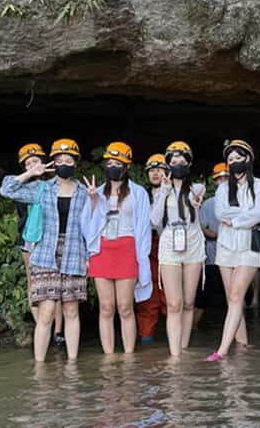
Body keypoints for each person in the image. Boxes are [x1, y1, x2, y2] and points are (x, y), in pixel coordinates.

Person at [0, 142, 64, 340]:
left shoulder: (55, 184)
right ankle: (42, 326)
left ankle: (58, 331)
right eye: (28, 163)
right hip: (29, 238)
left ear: (43, 161)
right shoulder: (19, 185)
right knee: (32, 279)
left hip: (53, 237)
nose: (32, 165)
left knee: (55, 281)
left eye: (35, 161)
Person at [0, 138, 92, 361]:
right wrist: (30, 173)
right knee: (46, 312)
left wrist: (89, 255)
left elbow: (92, 226)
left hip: (74, 253)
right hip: (44, 254)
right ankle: (39, 367)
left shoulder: (84, 192)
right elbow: (6, 189)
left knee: (71, 311)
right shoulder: (42, 188)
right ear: (52, 162)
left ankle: (71, 365)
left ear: (76, 163)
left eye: (68, 159)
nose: (64, 163)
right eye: (59, 160)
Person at [85, 142, 152, 354]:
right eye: (109, 162)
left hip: (127, 248)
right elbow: (87, 225)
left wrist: (142, 259)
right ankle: (109, 357)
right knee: (106, 308)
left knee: (125, 307)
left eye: (118, 163)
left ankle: (129, 356)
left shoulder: (138, 193)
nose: (112, 166)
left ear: (127, 166)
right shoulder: (97, 191)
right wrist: (93, 200)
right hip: (102, 249)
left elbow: (143, 227)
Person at [206, 140, 260, 362]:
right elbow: (221, 214)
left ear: (248, 159)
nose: (234, 162)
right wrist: (245, 215)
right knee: (233, 298)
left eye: (237, 158)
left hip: (250, 245)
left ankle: (222, 350)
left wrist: (237, 219)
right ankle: (242, 343)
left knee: (235, 295)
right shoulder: (223, 188)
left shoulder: (259, 185)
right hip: (226, 246)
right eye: (230, 159)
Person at [151, 141, 206, 357]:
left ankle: (184, 348)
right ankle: (175, 356)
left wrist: (196, 201)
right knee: (174, 303)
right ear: (167, 165)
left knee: (189, 302)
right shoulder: (161, 191)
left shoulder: (198, 188)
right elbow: (154, 221)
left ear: (189, 163)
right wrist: (164, 192)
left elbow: (196, 206)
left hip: (192, 244)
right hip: (169, 245)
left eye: (182, 161)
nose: (178, 164)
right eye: (173, 162)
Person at [137, 153, 168, 343]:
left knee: (170, 295)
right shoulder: (141, 196)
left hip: (169, 247)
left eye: (160, 169)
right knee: (148, 297)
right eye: (151, 170)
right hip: (147, 248)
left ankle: (175, 341)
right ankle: (146, 341)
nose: (155, 173)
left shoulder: (175, 193)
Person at [195, 163, 228, 327]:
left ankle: (241, 336)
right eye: (219, 179)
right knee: (203, 297)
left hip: (233, 258)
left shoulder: (239, 201)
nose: (223, 181)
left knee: (236, 297)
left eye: (226, 178)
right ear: (215, 181)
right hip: (212, 256)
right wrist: (218, 236)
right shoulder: (208, 203)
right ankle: (192, 328)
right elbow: (201, 227)